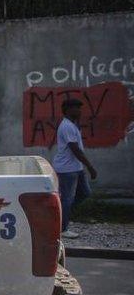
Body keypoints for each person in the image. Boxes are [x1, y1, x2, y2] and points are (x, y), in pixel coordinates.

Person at [54, 98, 97, 239]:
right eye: (76, 108)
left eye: (79, 108)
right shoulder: (67, 126)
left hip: (75, 168)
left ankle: (61, 214)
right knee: (67, 198)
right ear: (67, 110)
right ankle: (62, 229)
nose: (79, 110)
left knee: (85, 193)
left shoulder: (72, 125)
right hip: (67, 169)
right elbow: (75, 149)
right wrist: (90, 166)